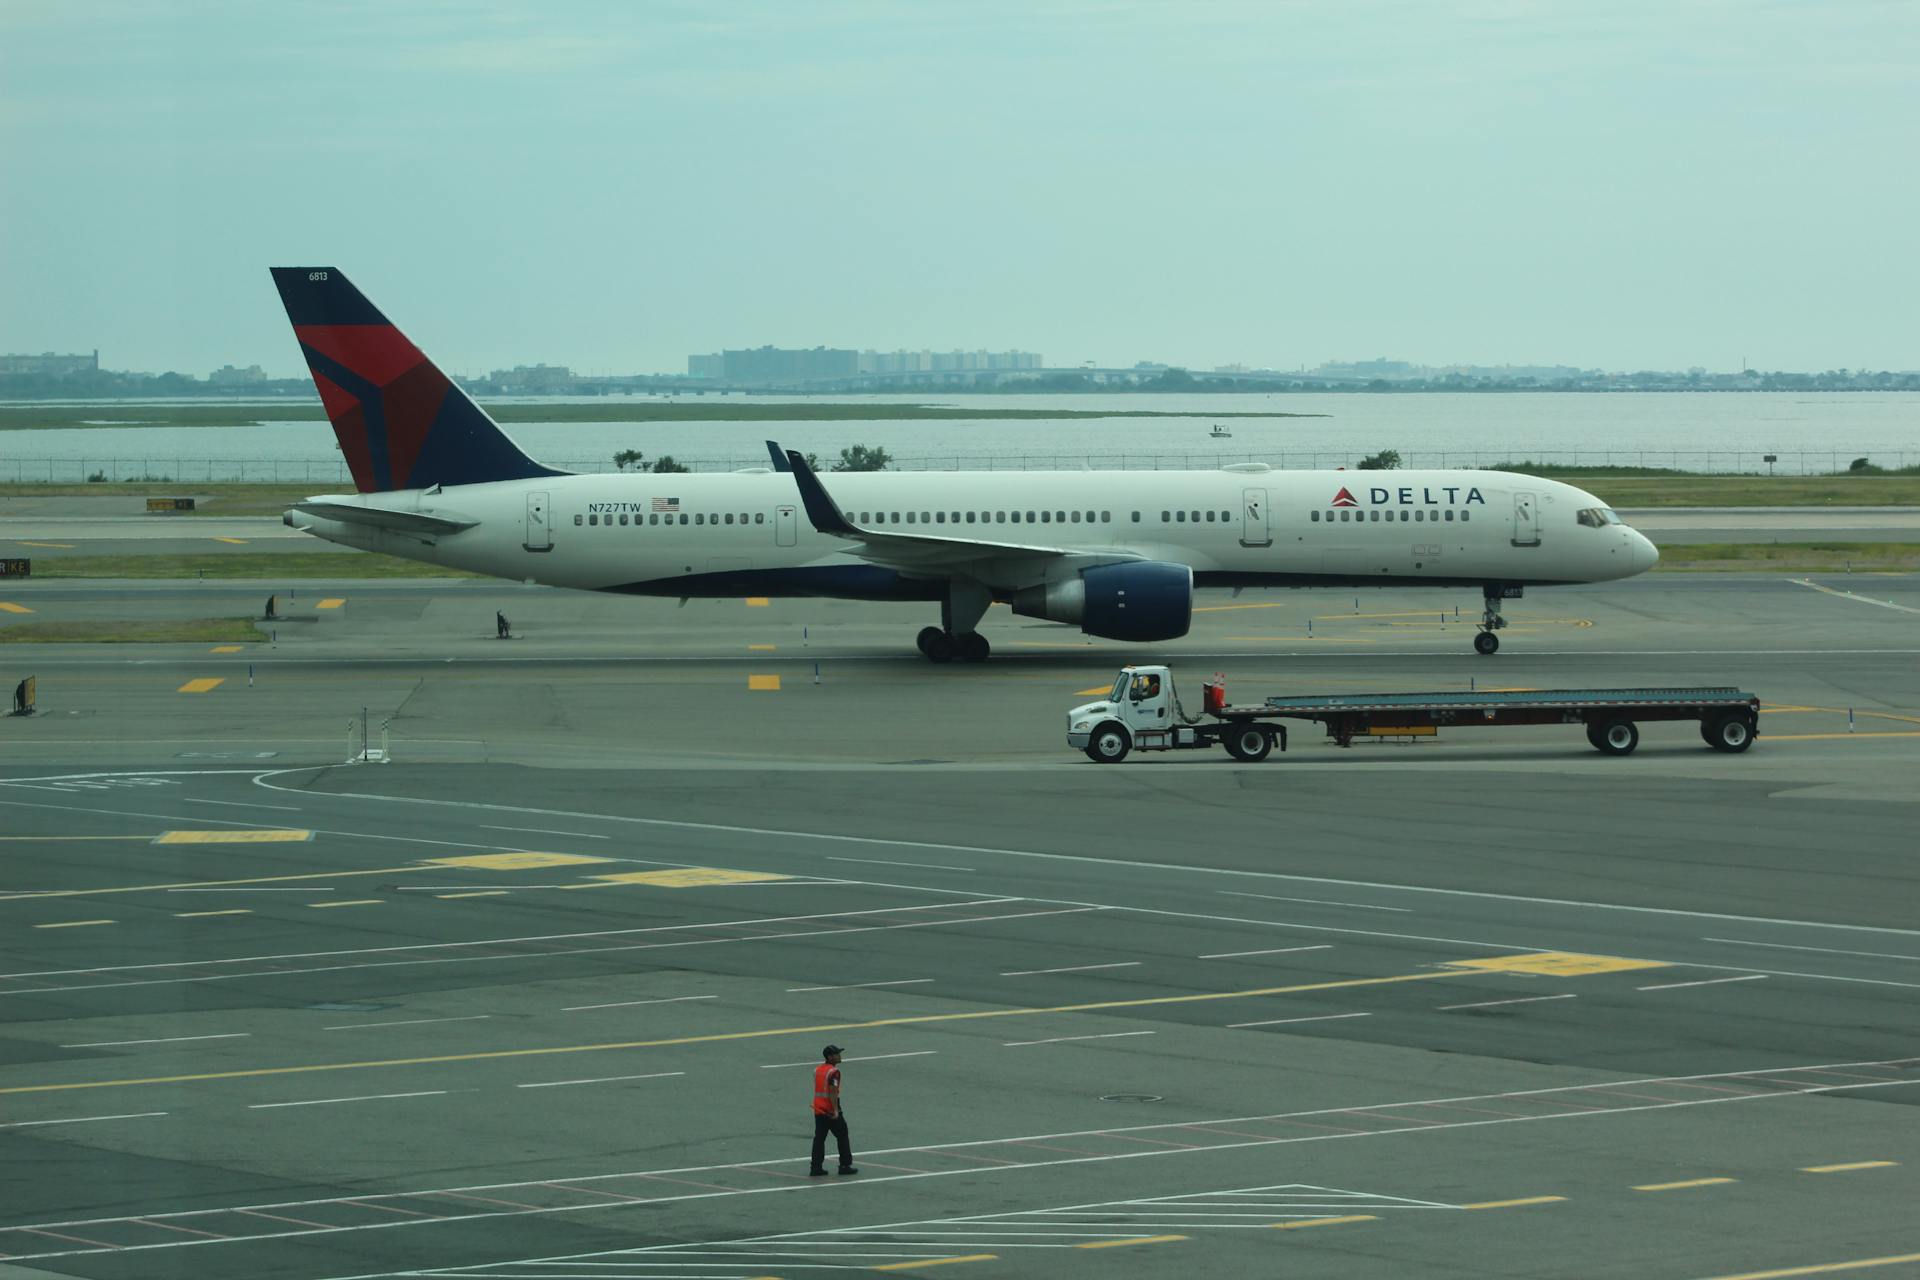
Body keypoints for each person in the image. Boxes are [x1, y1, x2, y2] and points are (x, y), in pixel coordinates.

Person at [809, 1044, 857, 1176]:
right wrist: (836, 1110)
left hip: (818, 1109)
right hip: (830, 1110)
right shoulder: (834, 1072)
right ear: (830, 1057)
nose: (839, 1056)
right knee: (842, 1135)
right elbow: (832, 1092)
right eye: (837, 1054)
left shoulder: (818, 1069)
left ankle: (815, 1167)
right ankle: (845, 1165)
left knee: (819, 1138)